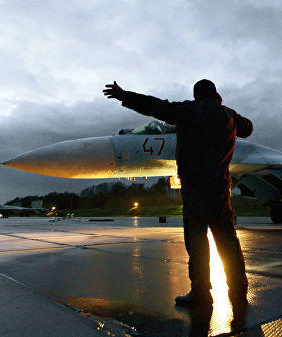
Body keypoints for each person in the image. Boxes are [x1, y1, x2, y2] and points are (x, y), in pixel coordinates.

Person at [103, 79, 253, 307]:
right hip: (220, 190)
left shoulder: (190, 111)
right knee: (228, 242)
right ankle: (239, 290)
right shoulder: (229, 115)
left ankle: (201, 293)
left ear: (197, 95)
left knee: (197, 243)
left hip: (195, 190)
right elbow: (248, 128)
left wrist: (125, 96)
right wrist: (230, 117)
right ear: (216, 94)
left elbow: (155, 106)